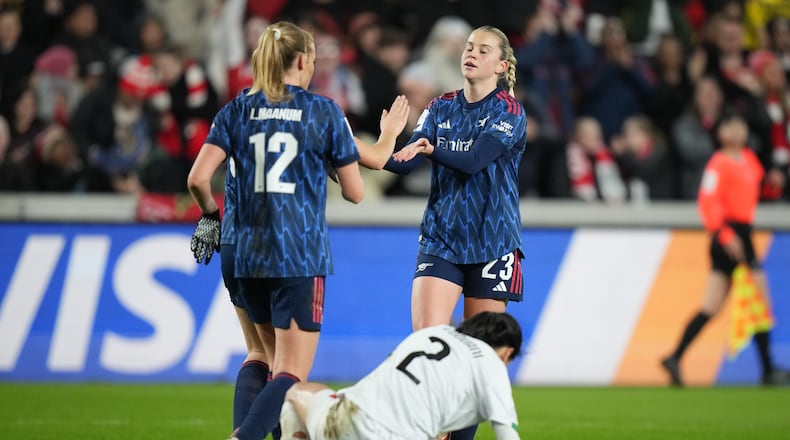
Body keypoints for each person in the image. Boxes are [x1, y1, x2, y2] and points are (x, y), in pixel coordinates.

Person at [187, 21, 408, 440]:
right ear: (304, 60)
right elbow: (358, 192)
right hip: (296, 250)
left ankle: (248, 430)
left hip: (240, 245)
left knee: (259, 354)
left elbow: (198, 178)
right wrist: (388, 136)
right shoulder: (323, 111)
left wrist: (210, 217)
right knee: (290, 372)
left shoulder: (236, 108)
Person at [359, 25, 526, 440]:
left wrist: (433, 149)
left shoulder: (509, 111)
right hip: (442, 239)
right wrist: (379, 142)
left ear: (501, 65)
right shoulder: (441, 106)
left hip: (493, 242)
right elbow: (401, 162)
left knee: (476, 357)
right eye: (469, 47)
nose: (472, 53)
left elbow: (473, 161)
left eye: (483, 50)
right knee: (427, 348)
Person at [660, 113, 790, 387]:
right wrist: (725, 234)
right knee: (760, 300)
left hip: (742, 230)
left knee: (711, 306)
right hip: (730, 233)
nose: (737, 130)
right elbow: (707, 202)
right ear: (721, 133)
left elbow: (757, 193)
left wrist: (772, 186)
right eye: (731, 125)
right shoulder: (718, 164)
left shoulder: (750, 161)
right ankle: (768, 369)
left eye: (740, 124)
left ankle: (675, 356)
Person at [280, 311, 523, 440]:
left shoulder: (434, 333)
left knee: (298, 393)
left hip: (349, 420)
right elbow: (507, 434)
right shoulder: (492, 366)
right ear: (507, 353)